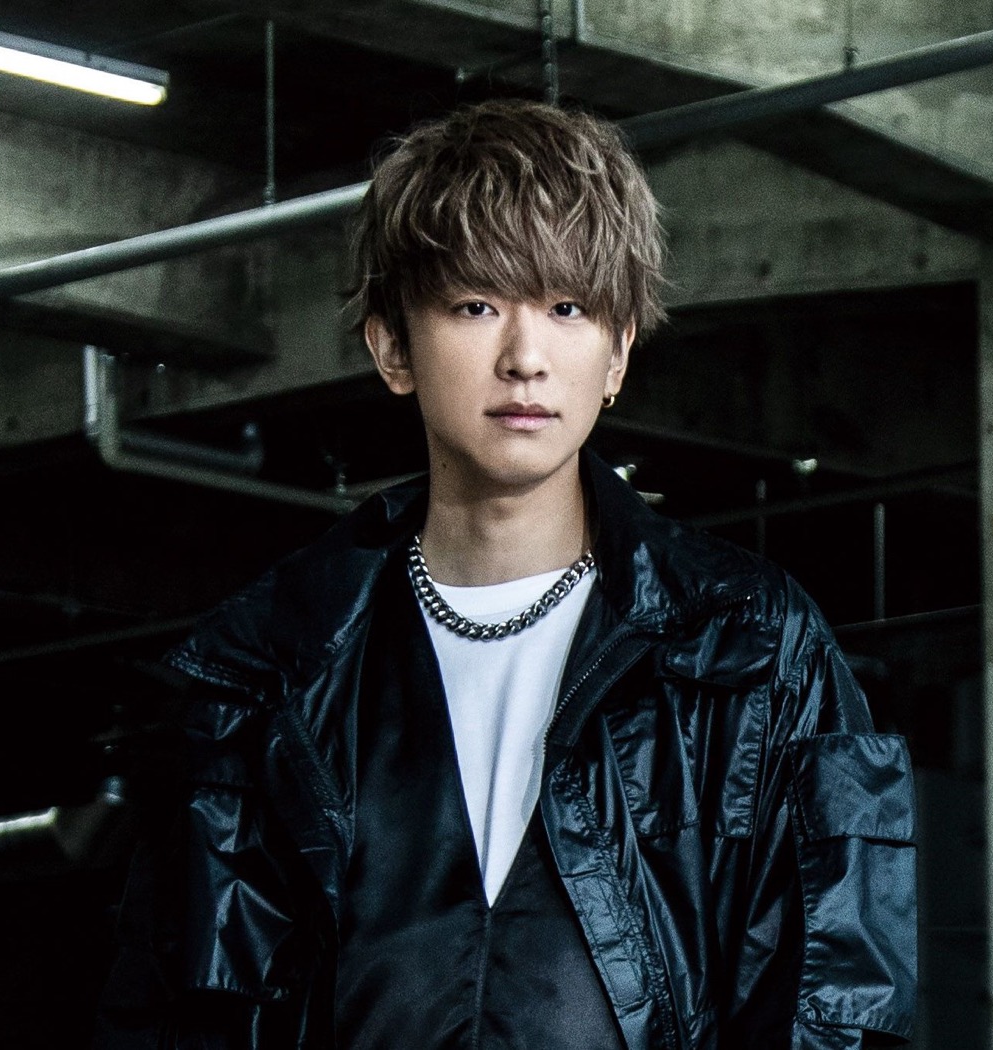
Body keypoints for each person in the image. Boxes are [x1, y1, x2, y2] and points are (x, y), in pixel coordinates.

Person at [96, 99, 916, 1050]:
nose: (526, 358)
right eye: (476, 306)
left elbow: (838, 1003)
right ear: (392, 346)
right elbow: (179, 1011)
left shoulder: (754, 647)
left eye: (568, 309)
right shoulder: (263, 674)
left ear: (618, 352)